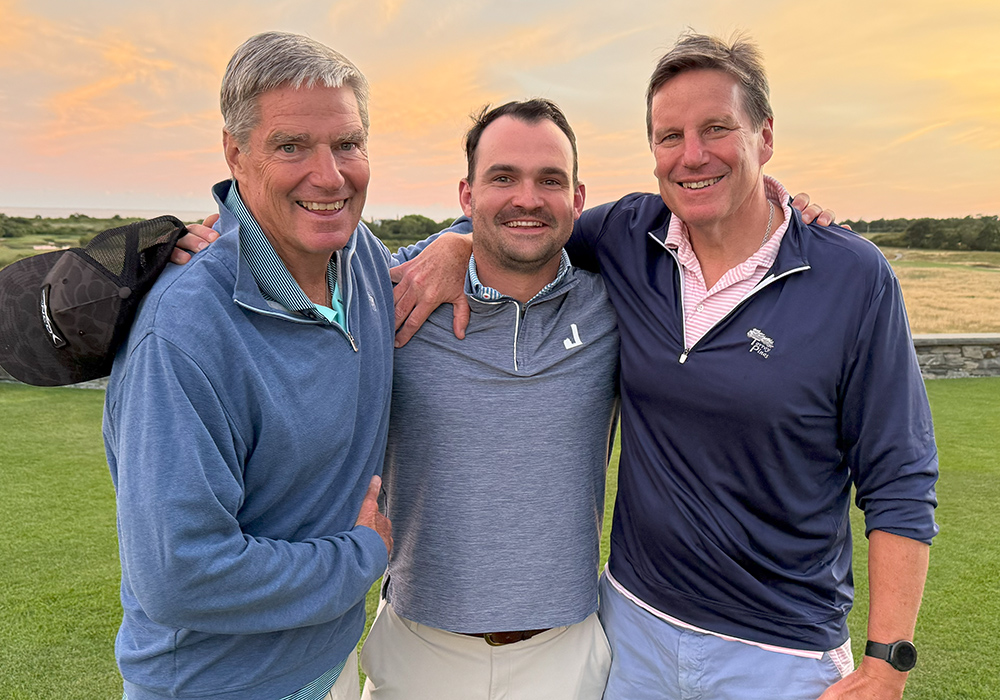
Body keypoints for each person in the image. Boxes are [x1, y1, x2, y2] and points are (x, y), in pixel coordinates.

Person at [392, 32, 938, 700]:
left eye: (716, 129)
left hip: (780, 653)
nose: (692, 154)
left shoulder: (851, 275)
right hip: (633, 631)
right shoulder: (628, 236)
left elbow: (900, 474)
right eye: (670, 136)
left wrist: (886, 666)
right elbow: (523, 224)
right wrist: (453, 244)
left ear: (764, 137)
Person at [102, 32, 393, 700]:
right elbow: (180, 575)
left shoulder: (365, 260)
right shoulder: (184, 330)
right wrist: (362, 554)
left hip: (329, 666)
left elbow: (489, 244)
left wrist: (458, 248)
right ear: (236, 154)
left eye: (347, 144)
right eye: (292, 146)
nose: (330, 176)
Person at [358, 100, 620, 700]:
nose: (527, 198)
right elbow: (279, 246)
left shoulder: (613, 304)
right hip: (419, 650)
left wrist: (792, 213)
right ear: (466, 193)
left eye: (549, 180)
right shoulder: (398, 290)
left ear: (577, 199)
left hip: (565, 654)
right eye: (503, 177)